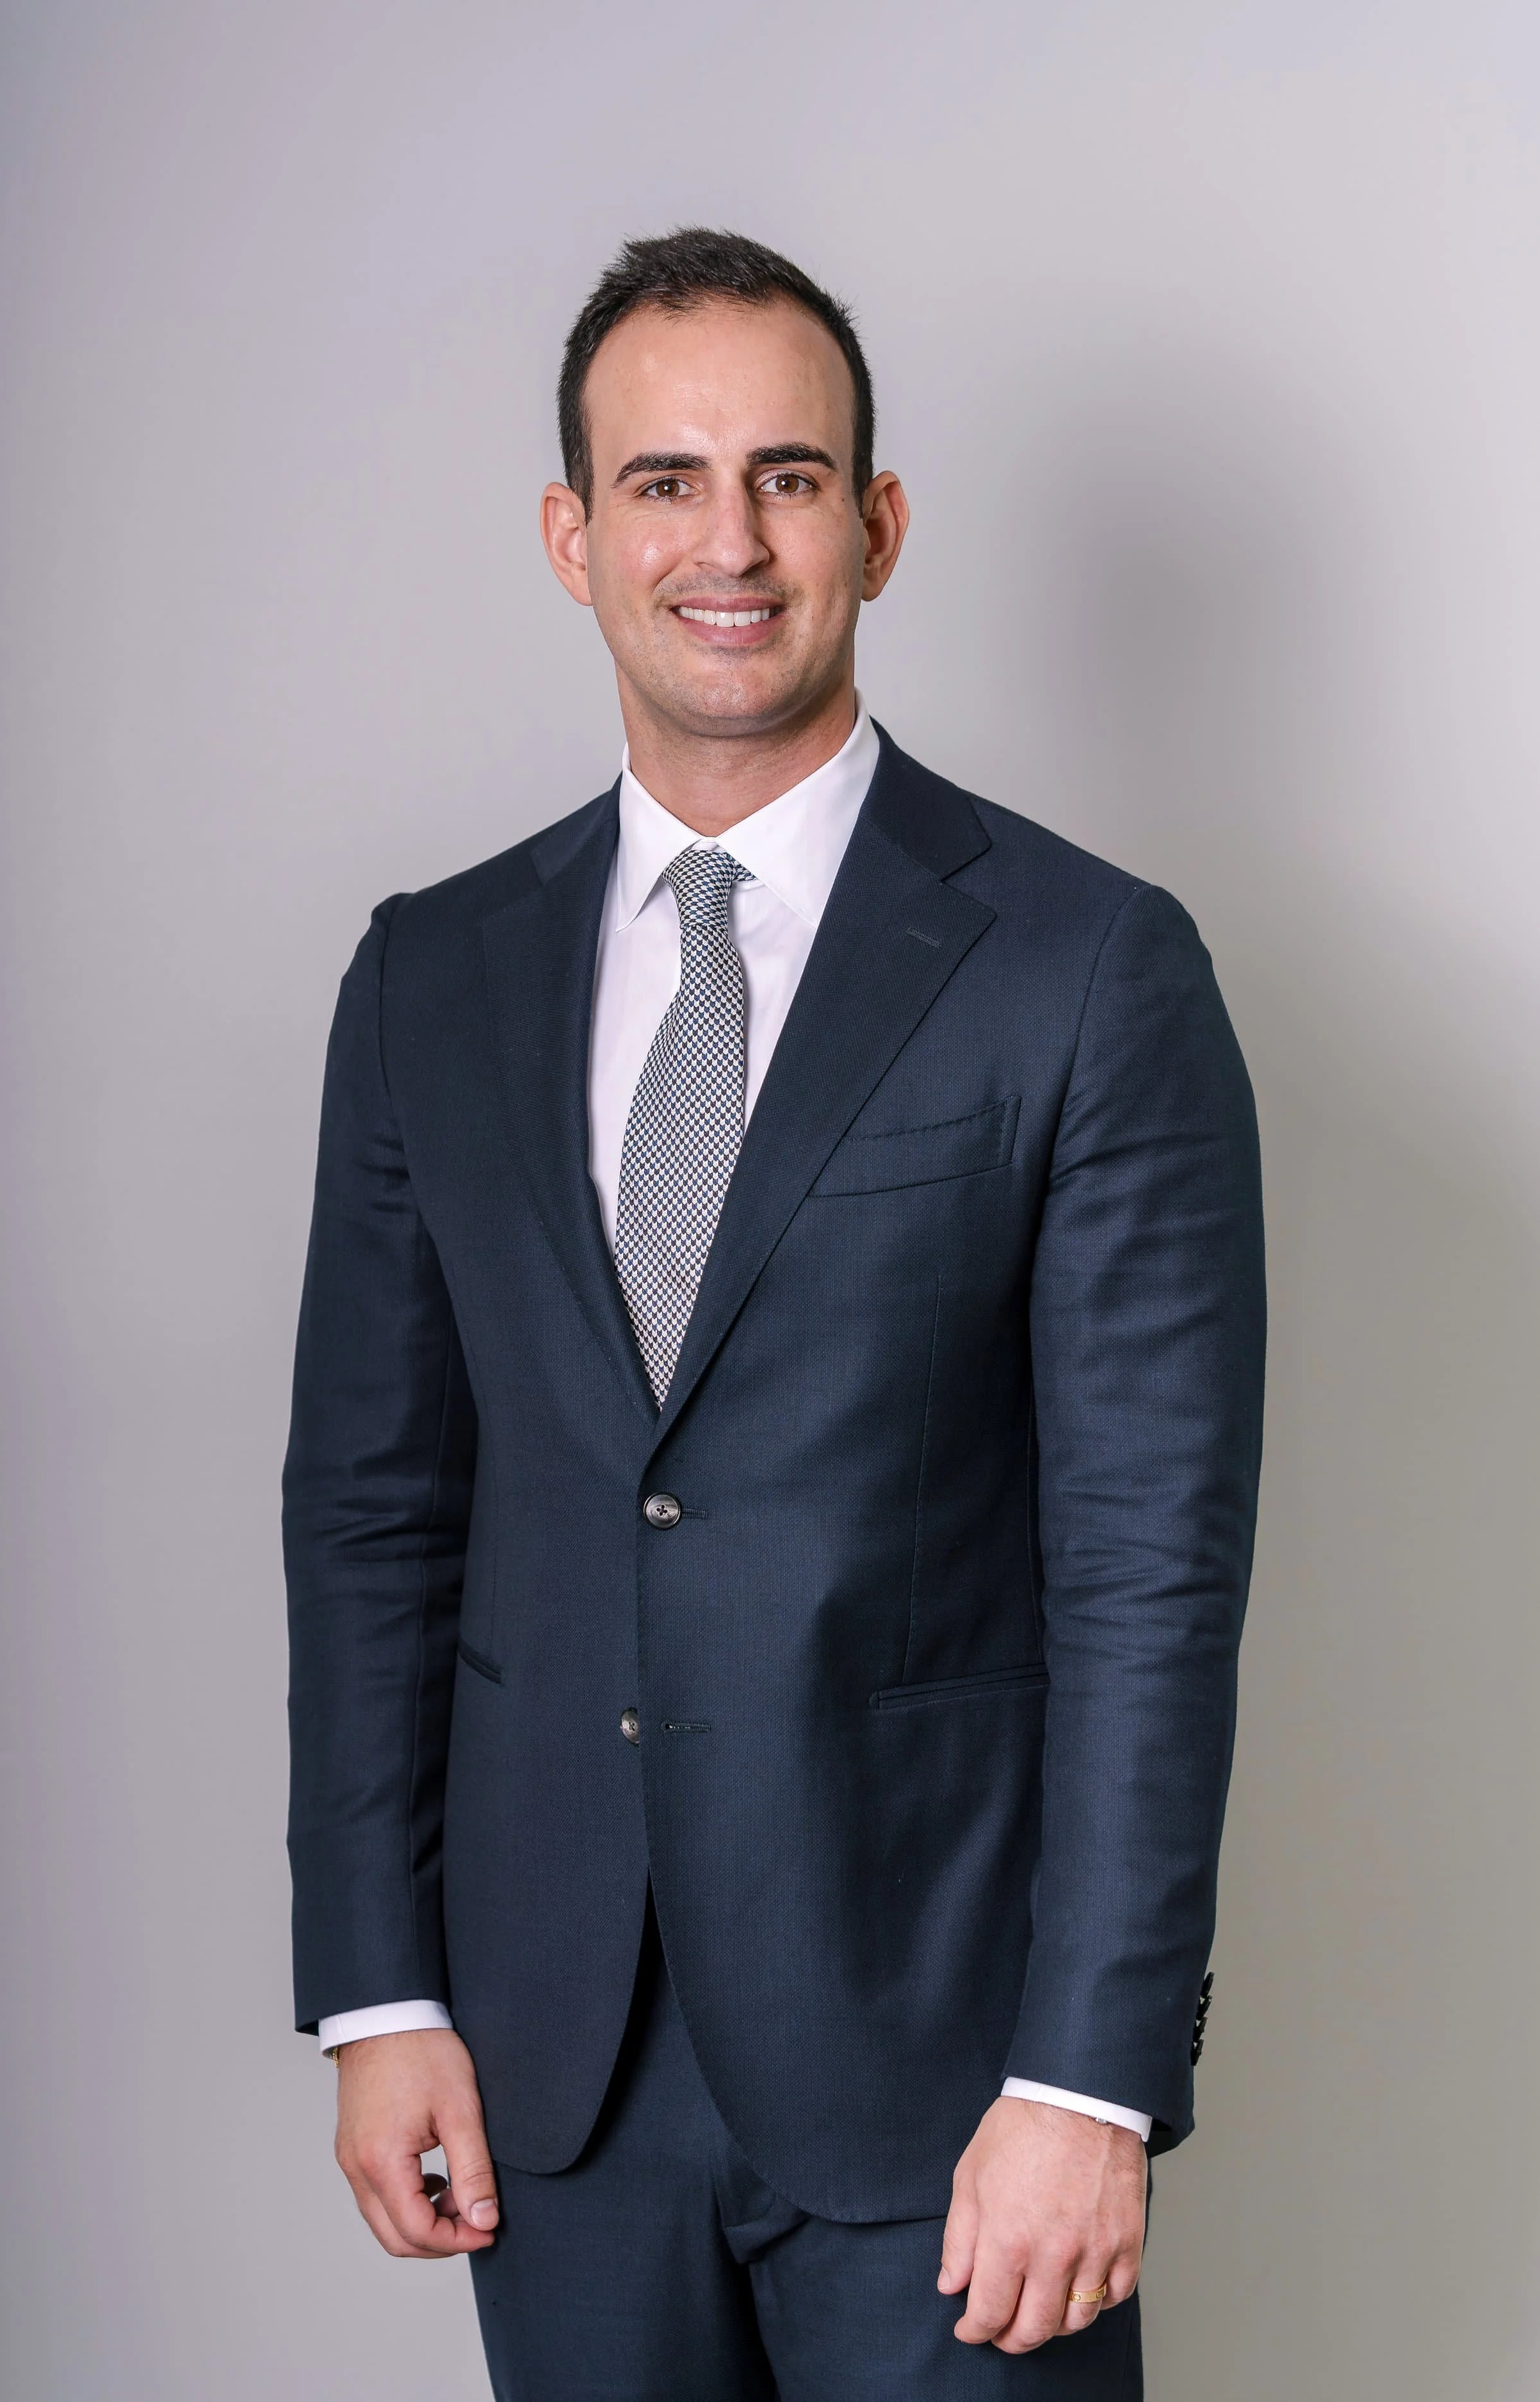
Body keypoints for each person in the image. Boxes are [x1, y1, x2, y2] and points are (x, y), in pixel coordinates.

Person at [284, 227, 1265, 2400]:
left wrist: (1090, 2082)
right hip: (554, 2075)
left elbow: (1145, 1573)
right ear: (572, 534)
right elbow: (369, 1513)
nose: (725, 542)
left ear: (876, 525)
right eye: (662, 482)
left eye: (790, 478)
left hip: (947, 2088)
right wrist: (379, 1996)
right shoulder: (426, 981)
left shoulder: (1087, 971)